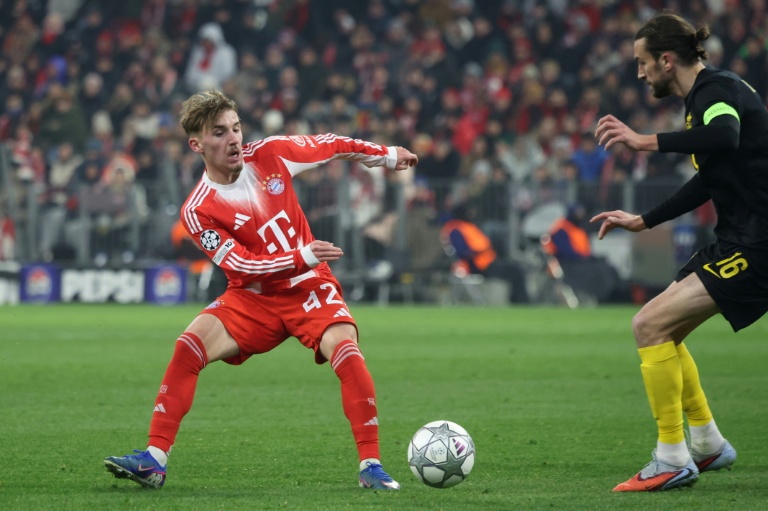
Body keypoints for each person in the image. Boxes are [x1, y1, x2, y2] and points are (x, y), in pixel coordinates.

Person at [104, 90, 418, 490]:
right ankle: (154, 461)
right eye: (219, 133)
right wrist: (300, 255)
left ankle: (371, 466)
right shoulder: (198, 209)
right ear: (196, 144)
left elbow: (332, 144)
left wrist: (387, 155)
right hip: (252, 296)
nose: (233, 138)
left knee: (347, 351)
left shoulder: (271, 153)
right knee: (188, 346)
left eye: (236, 128)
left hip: (308, 286)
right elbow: (240, 264)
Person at [590, 12, 768, 492]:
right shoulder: (704, 100)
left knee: (647, 324)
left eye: (643, 63)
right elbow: (710, 179)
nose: (640, 73)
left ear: (667, 60)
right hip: (739, 239)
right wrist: (642, 221)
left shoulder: (715, 93)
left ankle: (672, 456)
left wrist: (643, 141)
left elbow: (724, 134)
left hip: (759, 244)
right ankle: (707, 444)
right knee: (664, 330)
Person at [440, 203, 529, 304]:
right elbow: (462, 252)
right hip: (479, 265)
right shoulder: (456, 229)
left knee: (516, 270)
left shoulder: (464, 226)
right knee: (516, 271)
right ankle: (522, 302)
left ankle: (518, 301)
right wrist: (478, 251)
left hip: (486, 262)